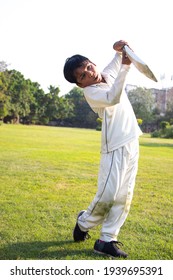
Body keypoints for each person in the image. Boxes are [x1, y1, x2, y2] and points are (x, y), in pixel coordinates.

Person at [63, 40, 142, 258]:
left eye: (89, 67)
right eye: (82, 75)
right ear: (80, 84)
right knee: (108, 195)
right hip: (114, 146)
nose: (89, 73)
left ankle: (107, 240)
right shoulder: (91, 93)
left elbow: (120, 57)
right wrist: (126, 66)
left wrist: (121, 47)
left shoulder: (107, 74)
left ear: (93, 64)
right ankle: (83, 222)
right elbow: (113, 97)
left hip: (132, 141)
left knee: (124, 196)